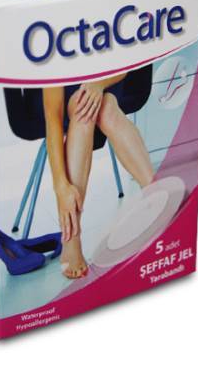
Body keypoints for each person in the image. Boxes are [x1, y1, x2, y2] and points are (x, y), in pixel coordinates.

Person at [43, 73, 154, 279]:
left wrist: (99, 84)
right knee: (82, 106)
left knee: (107, 106)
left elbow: (124, 62)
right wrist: (61, 186)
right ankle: (71, 236)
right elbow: (53, 118)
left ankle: (155, 196)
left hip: (109, 80)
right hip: (67, 97)